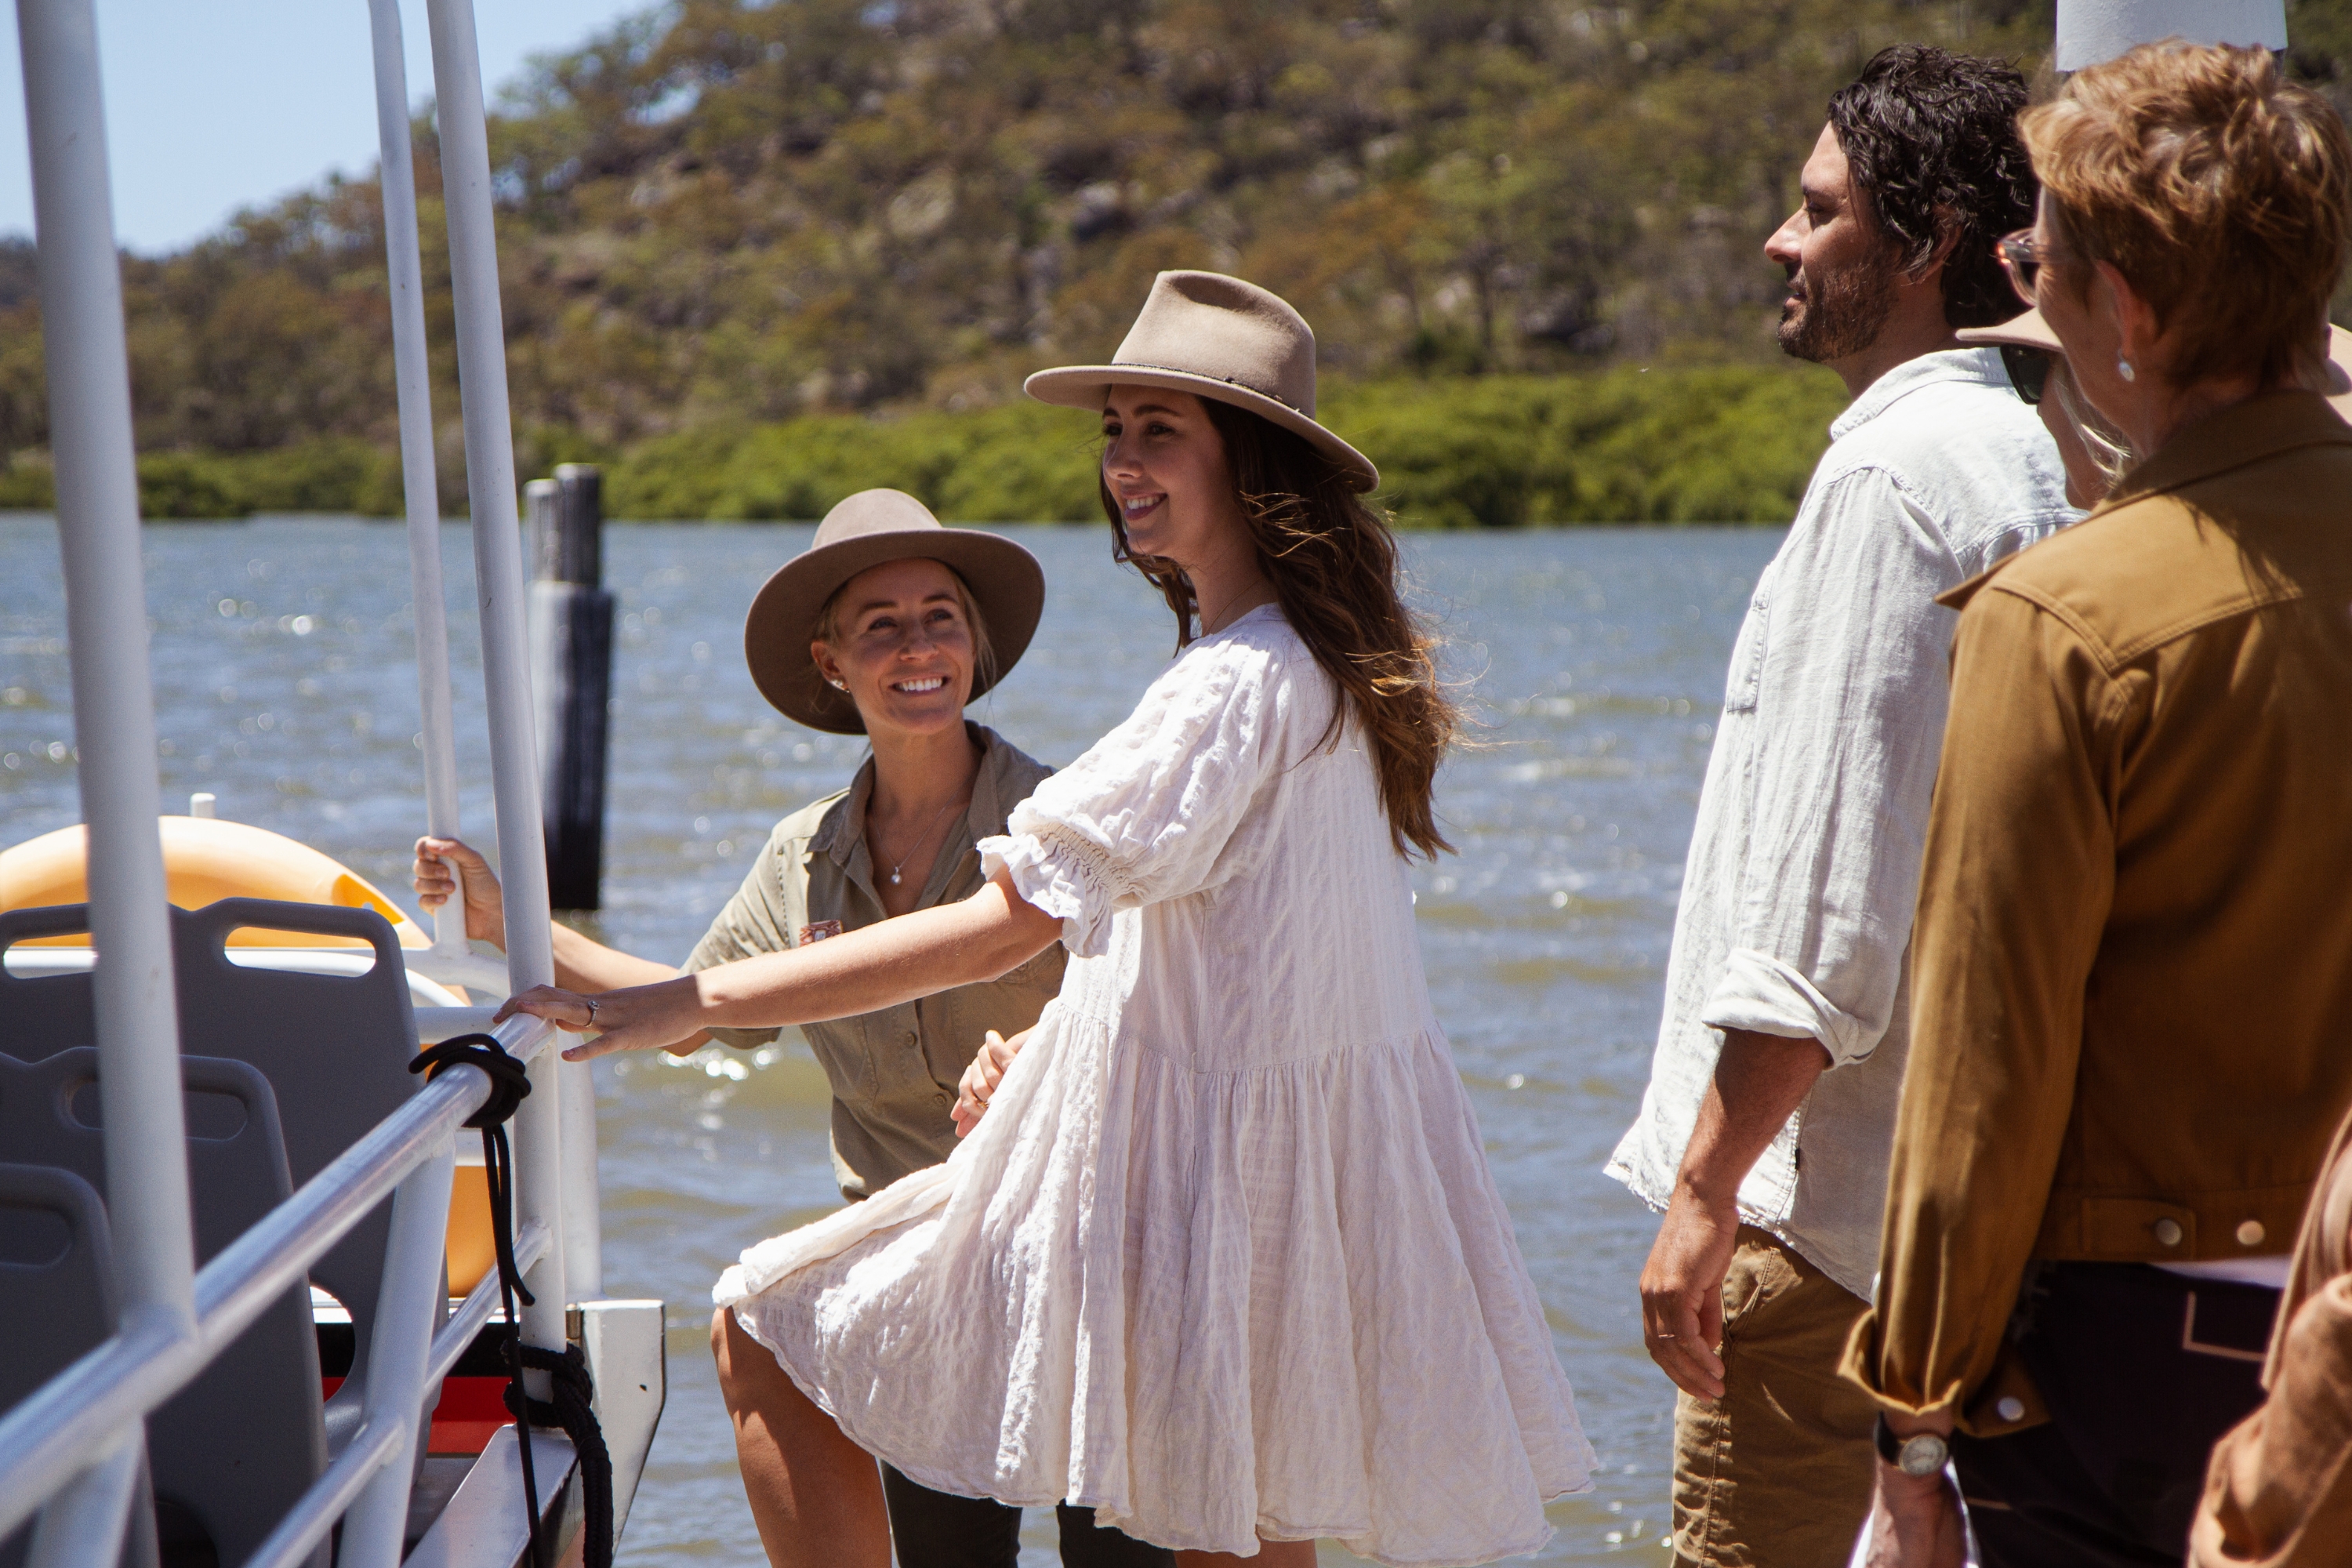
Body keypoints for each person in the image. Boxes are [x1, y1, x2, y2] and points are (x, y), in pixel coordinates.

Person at [495, 270, 1594, 1567]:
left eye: (1161, 431)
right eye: (1114, 430)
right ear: (830, 665)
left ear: (1251, 463)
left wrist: (694, 999)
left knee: (762, 1321)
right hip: (1251, 1177)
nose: (1124, 462)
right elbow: (1220, 949)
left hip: (1186, 1185)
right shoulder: (1304, 665)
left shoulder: (1236, 683)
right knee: (1235, 1523)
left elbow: (1013, 918)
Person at [415, 490, 1169, 1566]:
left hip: (1095, 1268)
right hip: (919, 1287)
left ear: (976, 645)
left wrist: (1043, 1061)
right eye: (883, 625)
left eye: (942, 617)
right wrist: (503, 927)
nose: (920, 647)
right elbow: (691, 1008)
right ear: (831, 662)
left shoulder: (1060, 824)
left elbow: (1160, 1022)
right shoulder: (802, 855)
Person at [1843, 42, 2352, 1568]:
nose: (2033, 289)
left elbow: (1983, 1082)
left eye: (2037, 258)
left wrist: (1915, 1421)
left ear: (2127, 308)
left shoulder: (2068, 618)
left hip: (2148, 1370)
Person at [1602, 44, 2075, 1568]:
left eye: (1816, 212)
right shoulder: (2045, 456)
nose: (1780, 242)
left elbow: (1826, 914)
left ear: (1929, 239)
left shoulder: (1891, 484)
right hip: (1977, 1219)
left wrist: (1704, 1190)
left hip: (1819, 1223)